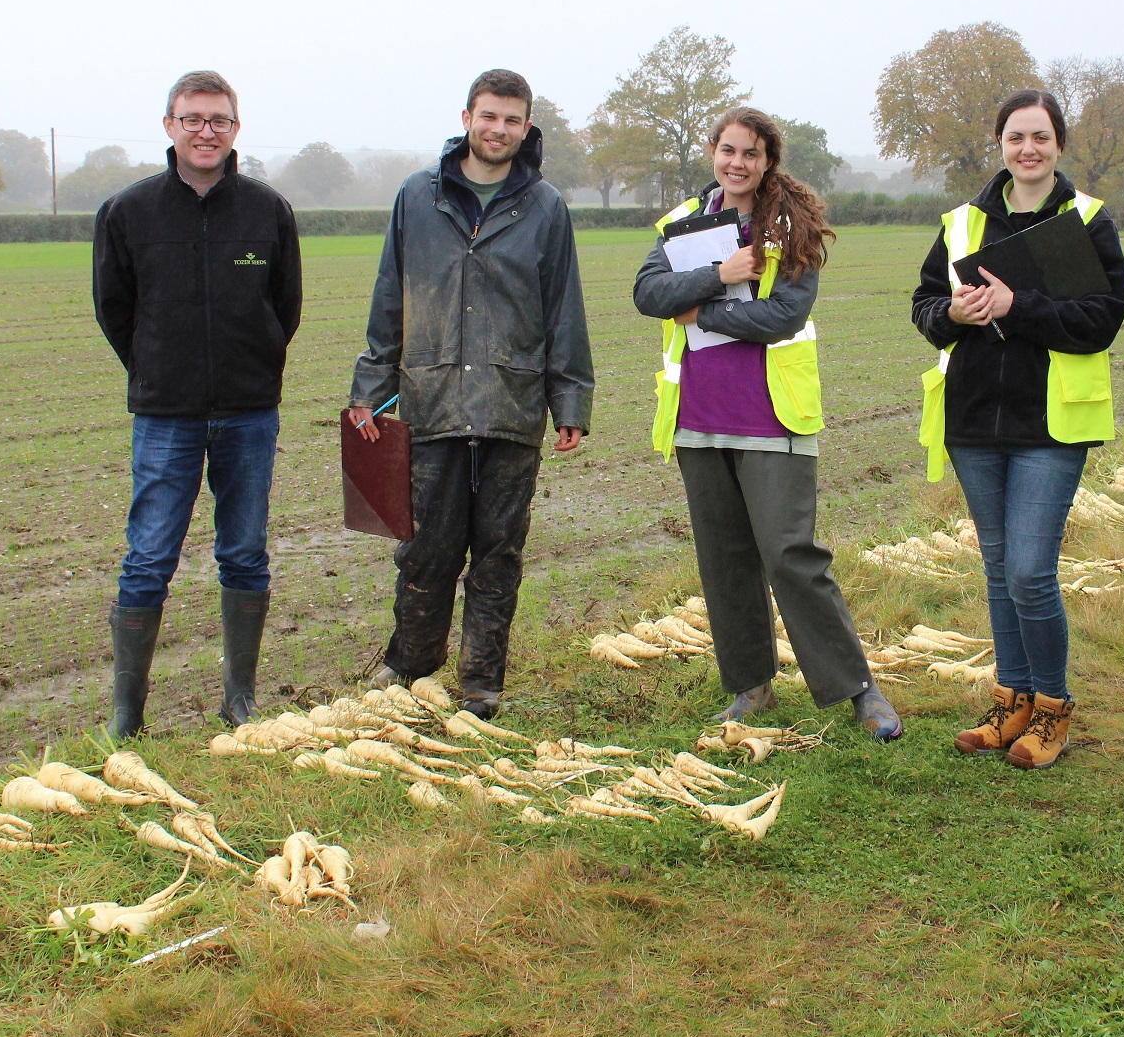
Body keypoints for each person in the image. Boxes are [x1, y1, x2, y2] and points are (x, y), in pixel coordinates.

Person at [634, 107, 900, 739]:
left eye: (750, 154)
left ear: (768, 161)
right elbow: (649, 295)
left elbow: (782, 315)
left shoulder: (790, 228)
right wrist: (718, 278)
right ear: (713, 151)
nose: (737, 163)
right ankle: (750, 689)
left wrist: (701, 314)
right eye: (728, 150)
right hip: (698, 419)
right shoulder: (681, 226)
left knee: (789, 555)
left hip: (773, 417)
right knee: (725, 560)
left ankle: (859, 689)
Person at [348, 70, 593, 719]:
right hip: (431, 402)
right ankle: (410, 664)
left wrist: (570, 402)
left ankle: (482, 681)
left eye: (512, 120)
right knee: (426, 545)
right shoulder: (416, 197)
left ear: (526, 126)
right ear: (467, 117)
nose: (499, 129)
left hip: (513, 406)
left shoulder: (545, 208)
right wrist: (370, 388)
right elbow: (389, 295)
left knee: (498, 549)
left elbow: (563, 308)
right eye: (489, 116)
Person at [910, 90, 1124, 770]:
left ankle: (1053, 710)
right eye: (1015, 138)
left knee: (1032, 571)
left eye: (1040, 137)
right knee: (1000, 567)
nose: (1027, 149)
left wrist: (1018, 305)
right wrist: (955, 313)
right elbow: (923, 307)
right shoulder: (965, 223)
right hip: (974, 420)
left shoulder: (1083, 221)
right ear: (1000, 145)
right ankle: (1011, 705)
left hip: (1050, 425)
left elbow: (1100, 318)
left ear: (1058, 144)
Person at [92, 70, 302, 737]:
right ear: (169, 127)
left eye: (218, 120)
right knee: (148, 555)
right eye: (192, 119)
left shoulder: (268, 212)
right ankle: (128, 715)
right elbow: (114, 309)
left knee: (244, 550)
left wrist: (255, 360)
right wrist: (159, 368)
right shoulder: (129, 212)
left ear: (235, 129)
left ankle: (239, 698)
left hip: (248, 413)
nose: (205, 132)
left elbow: (285, 307)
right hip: (165, 415)